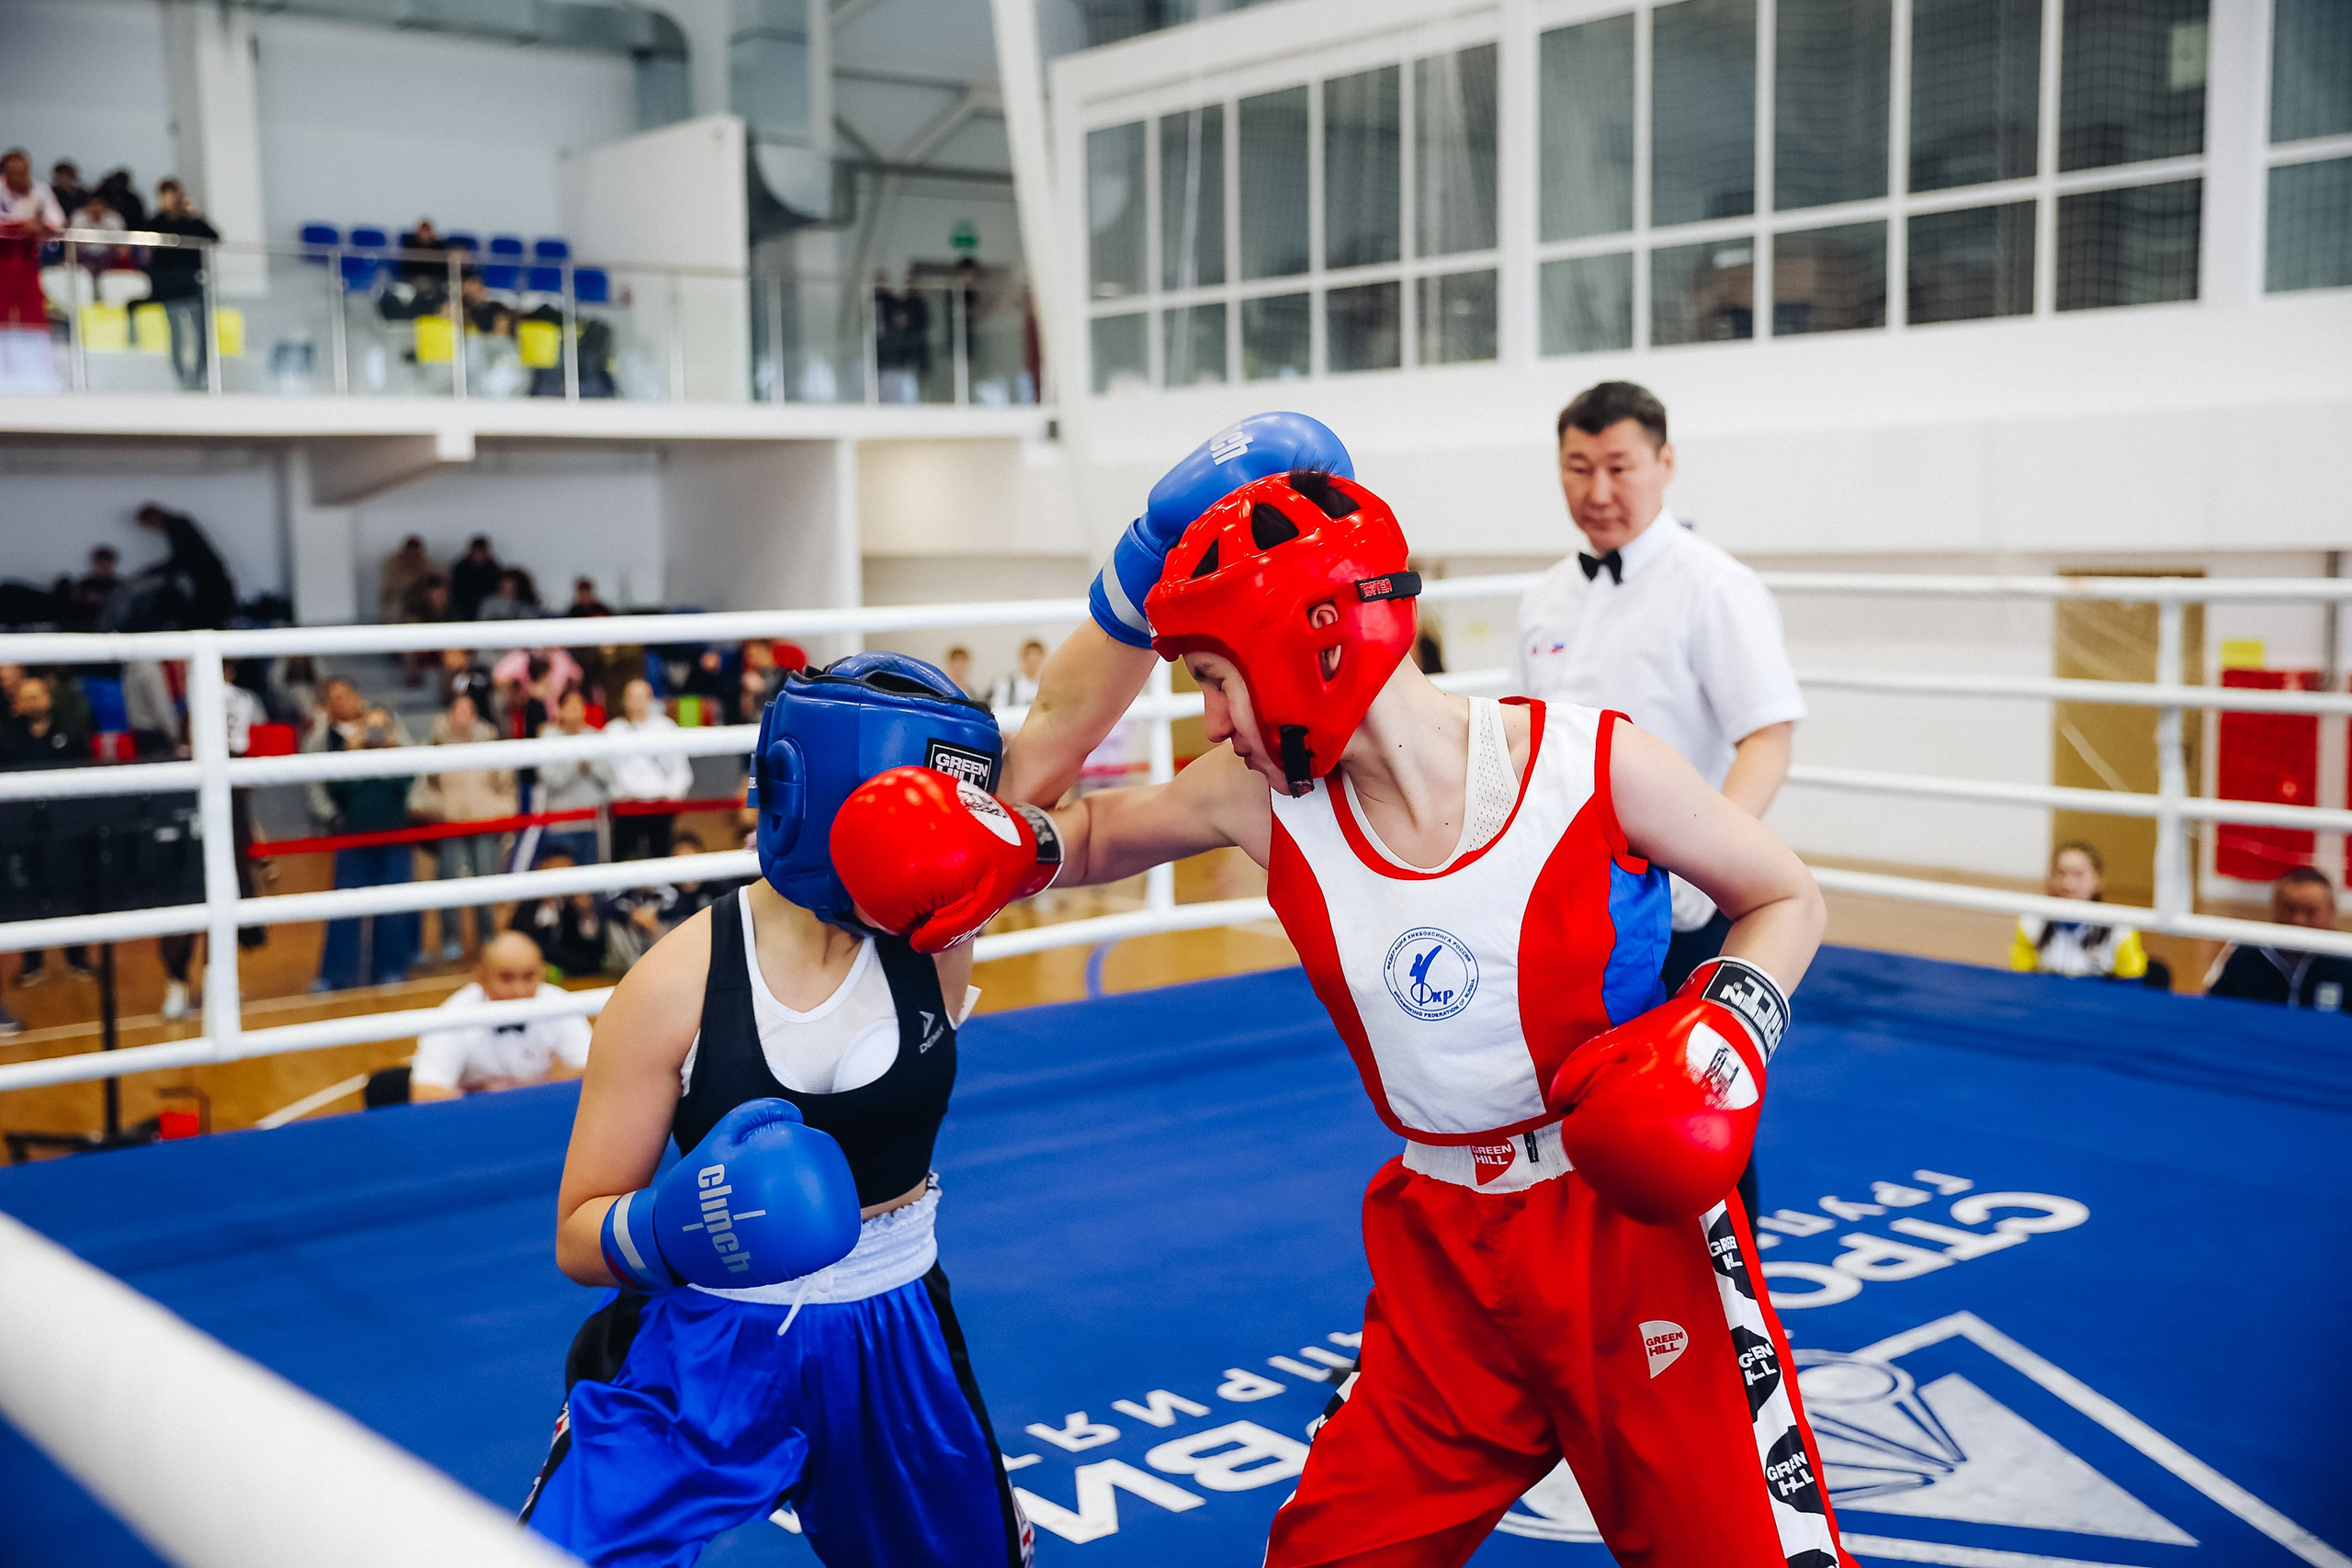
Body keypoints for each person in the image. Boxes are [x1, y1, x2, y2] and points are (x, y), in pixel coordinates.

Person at [846, 453, 1849, 1568]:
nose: (1213, 720)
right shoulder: (1260, 797)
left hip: (1625, 1234)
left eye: (1217, 679)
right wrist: (985, 841)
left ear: (1308, 641)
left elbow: (1785, 895)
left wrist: (1718, 1038)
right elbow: (1087, 835)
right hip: (1444, 1257)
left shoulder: (1591, 765)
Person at [517, 652, 1031, 1567]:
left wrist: (1141, 572)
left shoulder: (935, 929)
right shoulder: (673, 984)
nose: (934, 848)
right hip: (704, 1338)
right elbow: (575, 1235)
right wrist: (678, 1231)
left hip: (894, 1323)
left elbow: (1059, 737)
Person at [1516, 383, 1805, 991]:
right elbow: (1527, 734)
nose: (1598, 492)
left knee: (1671, 1080)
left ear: (1665, 463)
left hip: (1676, 900)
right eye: (1578, 468)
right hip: (1561, 894)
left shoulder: (1715, 585)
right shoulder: (1545, 594)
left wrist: (1708, 859)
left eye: (1619, 468)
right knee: (1559, 1076)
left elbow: (1768, 735)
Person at [304, 686, 422, 991]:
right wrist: (351, 757)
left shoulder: (387, 721)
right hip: (352, 834)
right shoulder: (324, 739)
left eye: (346, 695)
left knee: (394, 904)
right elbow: (325, 785)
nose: (342, 701)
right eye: (334, 698)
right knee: (345, 906)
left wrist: (389, 750)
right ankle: (337, 973)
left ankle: (391, 968)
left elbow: (411, 775)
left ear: (358, 696)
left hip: (394, 830)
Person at [408, 931, 591, 1101]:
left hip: (539, 1115)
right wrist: (490, 1104)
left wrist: (546, 1089)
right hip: (478, 1124)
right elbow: (424, 1092)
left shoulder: (559, 1004)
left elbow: (595, 1072)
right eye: (506, 978)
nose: (519, 990)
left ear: (542, 974)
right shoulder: (454, 1015)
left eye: (529, 977)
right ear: (481, 977)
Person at [413, 692, 515, 964]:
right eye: (458, 711)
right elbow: (427, 784)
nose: (463, 717)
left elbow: (505, 782)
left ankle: (488, 939)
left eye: (467, 710)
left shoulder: (490, 742)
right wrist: (438, 809)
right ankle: (451, 940)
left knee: (485, 881)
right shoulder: (437, 744)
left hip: (485, 822)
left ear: (475, 714)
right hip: (450, 823)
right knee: (448, 882)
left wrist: (502, 811)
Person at [2204, 865, 2351, 1010]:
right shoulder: (2244, 954)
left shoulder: (2346, 960)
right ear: (2275, 906)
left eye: (2310, 911)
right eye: (2289, 908)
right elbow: (2214, 1010)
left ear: (2331, 909)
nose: (2298, 920)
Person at [2011, 840, 2149, 981]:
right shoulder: (2031, 922)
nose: (2068, 884)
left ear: (2097, 880)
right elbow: (2023, 982)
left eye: (2078, 874)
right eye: (2061, 873)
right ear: (2050, 878)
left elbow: (2132, 988)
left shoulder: (2120, 929)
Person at [602, 678, 691, 863]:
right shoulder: (613, 730)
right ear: (624, 701)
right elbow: (606, 770)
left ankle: (663, 890)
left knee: (661, 857)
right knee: (624, 857)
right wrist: (617, 794)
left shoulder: (666, 727)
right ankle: (621, 891)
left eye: (642, 696)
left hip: (660, 805)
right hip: (626, 806)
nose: (638, 701)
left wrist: (672, 794)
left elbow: (681, 767)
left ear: (651, 699)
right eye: (633, 697)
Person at [144, 179, 219, 392]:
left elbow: (214, 236)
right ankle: (181, 377)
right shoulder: (158, 221)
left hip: (191, 283)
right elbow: (145, 232)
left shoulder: (192, 222)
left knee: (201, 333)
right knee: (176, 333)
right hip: (168, 285)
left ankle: (199, 376)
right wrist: (165, 214)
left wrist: (195, 216)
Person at [0, 151, 64, 393]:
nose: (19, 177)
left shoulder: (41, 193)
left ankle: (39, 377)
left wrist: (40, 225)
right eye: (14, 173)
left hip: (27, 265)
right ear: (5, 174)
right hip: (2, 264)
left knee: (33, 314)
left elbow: (58, 222)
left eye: (23, 172)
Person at [132, 503, 237, 629]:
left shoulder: (176, 525)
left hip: (210, 580)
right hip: (209, 579)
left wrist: (153, 571)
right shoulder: (179, 524)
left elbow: (182, 558)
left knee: (206, 621)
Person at [533, 688, 605, 867]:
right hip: (560, 825)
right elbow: (551, 780)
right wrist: (578, 762)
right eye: (571, 705)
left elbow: (609, 778)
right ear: (560, 709)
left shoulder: (594, 737)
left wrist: (591, 765)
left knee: (588, 886)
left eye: (579, 705)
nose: (576, 709)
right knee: (559, 884)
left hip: (590, 824)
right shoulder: (549, 738)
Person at [507, 853, 610, 979]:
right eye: (552, 873)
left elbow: (596, 950)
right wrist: (546, 905)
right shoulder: (527, 906)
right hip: (537, 975)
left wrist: (586, 914)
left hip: (579, 976)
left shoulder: (583, 904)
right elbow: (519, 941)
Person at [448, 536, 503, 621]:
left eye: (481, 552)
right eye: (477, 552)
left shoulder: (492, 568)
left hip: (487, 604)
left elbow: (496, 588)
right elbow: (456, 588)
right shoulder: (461, 567)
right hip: (463, 604)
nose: (479, 555)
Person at [986, 639, 1046, 713]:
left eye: (1037, 658)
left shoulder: (1045, 686)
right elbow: (998, 710)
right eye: (1030, 657)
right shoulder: (1007, 684)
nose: (1033, 662)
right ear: (1023, 658)